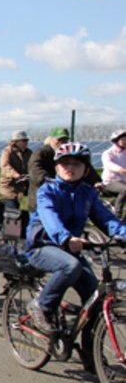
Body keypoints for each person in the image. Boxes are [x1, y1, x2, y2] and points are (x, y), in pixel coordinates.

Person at [25, 142, 126, 336]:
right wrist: (65, 237)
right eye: (65, 164)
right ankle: (41, 306)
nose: (70, 168)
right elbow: (50, 218)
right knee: (71, 266)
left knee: (94, 298)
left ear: (86, 169)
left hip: (69, 248)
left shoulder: (87, 193)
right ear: (56, 168)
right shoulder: (47, 191)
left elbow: (106, 218)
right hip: (42, 246)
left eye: (77, 164)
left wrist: (122, 233)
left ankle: (91, 356)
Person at [27, 127, 100, 212]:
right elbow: (35, 170)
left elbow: (84, 168)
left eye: (64, 140)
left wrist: (96, 181)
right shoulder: (40, 153)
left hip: (64, 200)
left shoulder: (69, 154)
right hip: (41, 200)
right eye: (58, 139)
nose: (61, 142)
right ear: (51, 140)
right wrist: (48, 180)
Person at [0, 130, 32, 210]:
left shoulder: (29, 152)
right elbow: (5, 166)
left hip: (23, 185)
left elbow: (33, 164)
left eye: (27, 140)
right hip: (9, 185)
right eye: (24, 140)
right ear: (16, 142)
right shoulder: (7, 151)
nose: (26, 142)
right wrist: (15, 175)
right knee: (12, 209)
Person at [101, 129, 126, 218]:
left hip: (123, 182)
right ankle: (117, 216)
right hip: (109, 183)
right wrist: (121, 169)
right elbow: (109, 165)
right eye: (123, 139)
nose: (125, 141)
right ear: (116, 140)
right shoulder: (108, 153)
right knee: (125, 189)